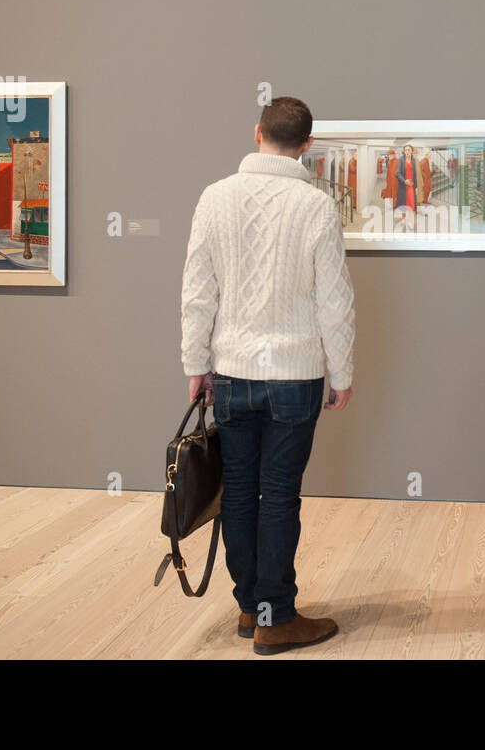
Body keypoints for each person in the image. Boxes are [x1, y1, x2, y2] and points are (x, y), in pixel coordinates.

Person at [180, 96, 356, 656]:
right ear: (307, 145)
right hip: (295, 375)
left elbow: (196, 293)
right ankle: (275, 618)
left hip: (231, 372)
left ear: (257, 134)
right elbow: (336, 303)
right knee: (278, 495)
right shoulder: (316, 206)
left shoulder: (214, 198)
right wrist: (342, 372)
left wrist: (195, 364)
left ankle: (249, 606)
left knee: (238, 493)